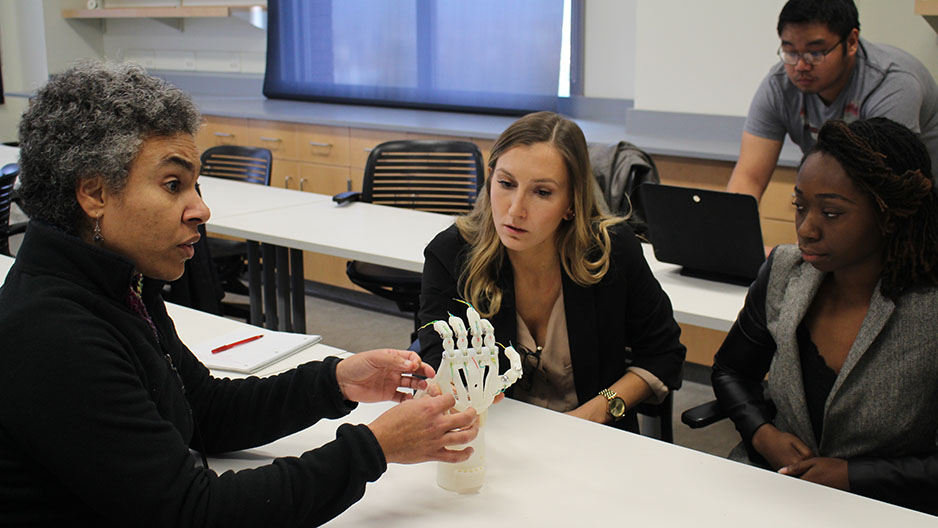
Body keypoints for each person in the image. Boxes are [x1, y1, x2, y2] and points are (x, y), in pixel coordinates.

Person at [0, 60, 479, 527]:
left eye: (196, 186)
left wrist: (335, 381)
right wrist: (374, 447)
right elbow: (195, 513)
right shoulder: (51, 332)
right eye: (173, 185)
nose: (201, 210)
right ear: (93, 194)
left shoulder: (117, 284)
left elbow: (203, 410)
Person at [712, 117, 938, 514]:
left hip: (885, 508)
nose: (806, 229)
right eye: (800, 206)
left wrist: (854, 476)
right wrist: (762, 433)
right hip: (772, 489)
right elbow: (731, 371)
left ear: (890, 215)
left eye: (831, 213)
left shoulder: (929, 309)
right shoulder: (785, 270)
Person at [417, 111, 686, 433]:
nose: (515, 210)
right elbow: (440, 362)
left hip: (595, 435)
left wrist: (596, 413)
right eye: (505, 184)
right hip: (493, 433)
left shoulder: (612, 252)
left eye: (542, 192)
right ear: (490, 178)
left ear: (572, 202)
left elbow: (663, 353)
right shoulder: (452, 255)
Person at [726, 0, 938, 202]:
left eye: (815, 52)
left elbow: (886, 190)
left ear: (852, 42)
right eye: (790, 51)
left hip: (917, 211)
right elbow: (748, 178)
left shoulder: (891, 85)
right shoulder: (780, 86)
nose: (800, 65)